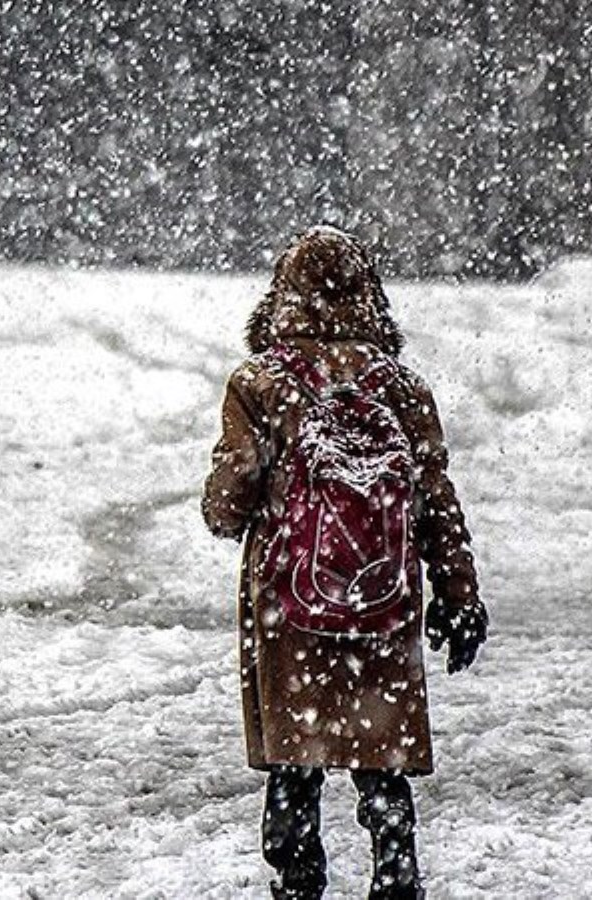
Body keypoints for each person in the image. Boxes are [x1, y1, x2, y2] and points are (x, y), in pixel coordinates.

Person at [202, 227, 487, 899]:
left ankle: (298, 877)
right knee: (377, 749)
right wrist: (458, 593)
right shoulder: (402, 388)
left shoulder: (260, 384)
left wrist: (231, 502)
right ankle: (395, 871)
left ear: (282, 297)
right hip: (382, 603)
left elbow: (229, 502)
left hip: (289, 600)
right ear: (370, 297)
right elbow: (435, 500)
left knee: (295, 756)